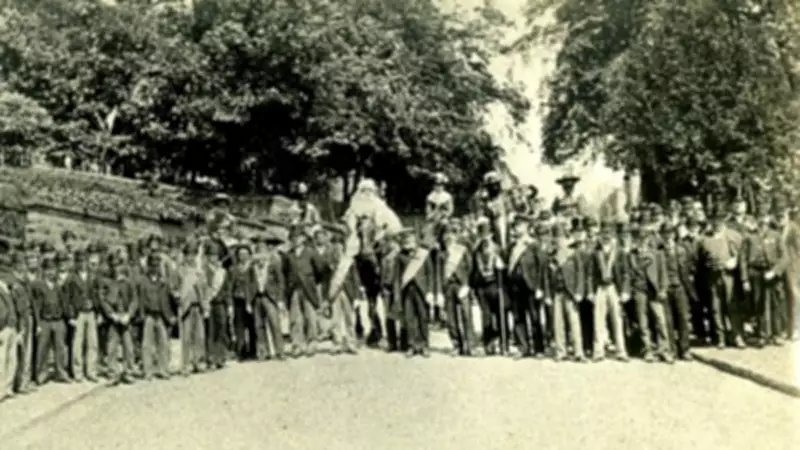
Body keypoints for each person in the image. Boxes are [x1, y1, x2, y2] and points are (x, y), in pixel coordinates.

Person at [741, 203, 787, 346]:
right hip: (755, 273)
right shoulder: (749, 237)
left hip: (771, 273)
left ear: (768, 219)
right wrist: (745, 279)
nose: (762, 221)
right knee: (758, 304)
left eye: (765, 217)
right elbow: (742, 259)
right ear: (756, 220)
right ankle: (761, 334)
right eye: (760, 217)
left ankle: (777, 334)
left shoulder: (776, 235)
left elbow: (784, 257)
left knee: (775, 304)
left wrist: (774, 272)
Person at [285, 225, 329, 357]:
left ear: (303, 238)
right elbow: (285, 271)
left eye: (297, 237)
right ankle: (297, 344)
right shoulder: (288, 255)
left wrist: (312, 281)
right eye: (292, 238)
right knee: (295, 318)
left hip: (309, 289)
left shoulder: (310, 252)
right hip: (294, 289)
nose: (295, 240)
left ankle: (312, 343)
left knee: (310, 316)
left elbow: (321, 270)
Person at [589, 222, 628, 362]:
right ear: (600, 236)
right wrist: (590, 291)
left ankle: (621, 350)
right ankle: (598, 351)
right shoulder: (595, 252)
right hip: (600, 287)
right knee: (598, 320)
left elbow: (625, 273)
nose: (606, 237)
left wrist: (624, 290)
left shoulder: (619, 252)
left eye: (608, 234)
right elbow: (591, 274)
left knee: (617, 320)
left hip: (613, 287)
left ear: (612, 236)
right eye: (603, 234)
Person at [393, 228, 433, 357]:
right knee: (409, 318)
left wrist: (430, 291)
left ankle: (424, 345)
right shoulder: (400, 256)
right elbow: (397, 277)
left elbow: (430, 273)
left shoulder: (423, 254)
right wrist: (397, 294)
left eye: (410, 239)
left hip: (422, 291)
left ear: (415, 240)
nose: (407, 242)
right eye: (405, 240)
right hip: (407, 291)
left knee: (423, 317)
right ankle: (412, 345)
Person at [31, 257, 71, 385]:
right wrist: (38, 323)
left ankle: (61, 372)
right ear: (43, 271)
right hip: (45, 321)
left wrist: (67, 318)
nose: (50, 272)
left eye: (53, 269)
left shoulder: (58, 286)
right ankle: (41, 374)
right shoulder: (38, 285)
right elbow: (36, 307)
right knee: (42, 348)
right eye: (48, 270)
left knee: (60, 348)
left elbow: (64, 303)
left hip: (58, 321)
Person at [100, 253, 138, 384]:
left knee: (128, 346)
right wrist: (111, 314)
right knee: (112, 346)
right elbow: (103, 300)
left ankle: (129, 372)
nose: (116, 268)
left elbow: (134, 299)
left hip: (125, 316)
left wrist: (129, 314)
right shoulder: (106, 282)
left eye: (118, 265)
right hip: (113, 318)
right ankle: (113, 373)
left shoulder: (128, 282)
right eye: (113, 266)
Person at [659, 222, 695, 360]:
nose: (668, 237)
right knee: (668, 320)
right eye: (665, 234)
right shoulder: (659, 252)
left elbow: (688, 268)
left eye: (670, 234)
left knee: (683, 318)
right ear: (662, 236)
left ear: (674, 235)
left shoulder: (681, 250)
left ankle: (685, 349)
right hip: (665, 289)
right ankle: (671, 350)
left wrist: (688, 287)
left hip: (680, 287)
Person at [64, 250, 100, 382]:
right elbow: (67, 298)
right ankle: (78, 372)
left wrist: (96, 308)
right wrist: (70, 316)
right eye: (79, 261)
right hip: (78, 313)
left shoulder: (92, 276)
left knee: (92, 343)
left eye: (84, 261)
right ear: (76, 263)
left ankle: (91, 371)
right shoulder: (71, 278)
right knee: (77, 343)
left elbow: (97, 294)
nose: (82, 264)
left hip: (90, 313)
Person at [439, 222, 475, 356]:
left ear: (456, 236)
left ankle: (470, 345)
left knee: (466, 315)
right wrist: (439, 292)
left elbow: (470, 268)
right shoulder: (441, 255)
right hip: (448, 286)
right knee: (451, 318)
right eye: (446, 234)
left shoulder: (463, 251)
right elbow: (438, 274)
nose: (449, 237)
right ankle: (456, 344)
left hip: (462, 286)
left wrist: (467, 285)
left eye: (452, 234)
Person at [139, 253, 176, 380]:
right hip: (149, 315)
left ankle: (163, 369)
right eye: (152, 266)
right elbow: (141, 299)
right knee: (147, 345)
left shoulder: (163, 281)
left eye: (156, 266)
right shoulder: (143, 281)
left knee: (163, 344)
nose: (154, 268)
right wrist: (141, 315)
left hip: (161, 315)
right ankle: (148, 371)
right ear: (148, 266)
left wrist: (170, 316)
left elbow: (168, 300)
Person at [251, 234, 286, 360]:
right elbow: (250, 283)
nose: (260, 252)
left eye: (262, 249)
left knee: (275, 324)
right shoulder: (252, 266)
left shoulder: (273, 263)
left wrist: (280, 298)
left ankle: (280, 351)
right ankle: (263, 351)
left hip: (270, 297)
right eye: (258, 249)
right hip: (257, 297)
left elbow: (280, 281)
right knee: (258, 325)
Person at [176, 242, 208, 375]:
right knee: (186, 337)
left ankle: (198, 362)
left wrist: (205, 304)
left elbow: (205, 289)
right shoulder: (180, 271)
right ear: (185, 256)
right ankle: (186, 365)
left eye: (193, 254)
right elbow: (174, 288)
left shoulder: (200, 271)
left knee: (199, 336)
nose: (191, 257)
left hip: (198, 306)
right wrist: (179, 297)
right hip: (186, 307)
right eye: (188, 254)